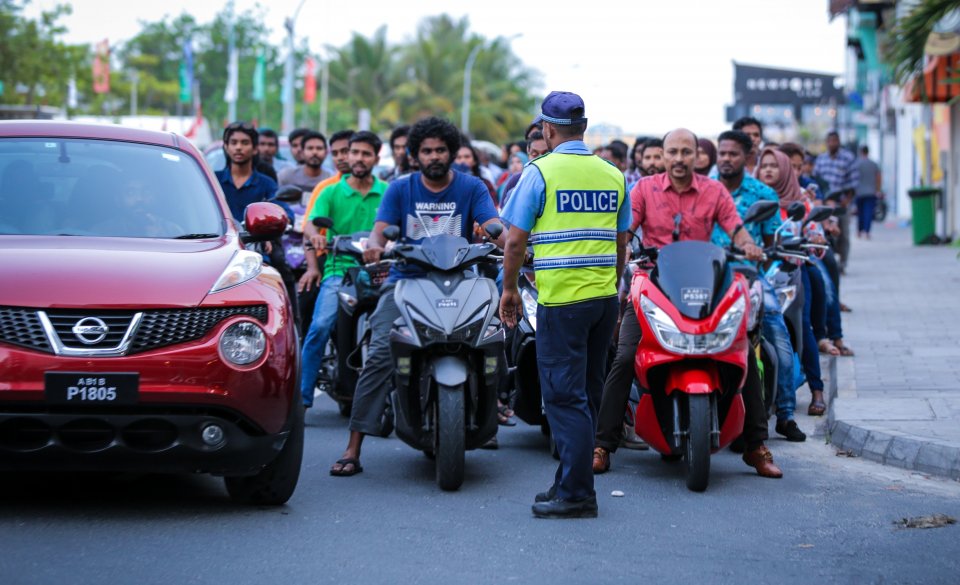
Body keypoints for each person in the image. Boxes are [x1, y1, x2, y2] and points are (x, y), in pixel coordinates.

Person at [592, 128, 783, 479]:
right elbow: (627, 228)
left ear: (697, 155)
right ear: (662, 156)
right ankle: (603, 445)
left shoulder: (714, 191)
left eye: (686, 152)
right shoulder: (643, 190)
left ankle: (756, 446)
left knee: (743, 349)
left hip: (705, 285)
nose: (679, 159)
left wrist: (749, 245)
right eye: (672, 152)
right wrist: (626, 245)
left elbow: (735, 227)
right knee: (624, 356)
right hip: (652, 284)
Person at [328, 117, 504, 477]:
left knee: (492, 339)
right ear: (414, 155)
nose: (434, 156)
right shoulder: (400, 189)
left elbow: (492, 225)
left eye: (441, 149)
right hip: (405, 281)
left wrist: (510, 244)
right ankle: (354, 445)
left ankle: (490, 414)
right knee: (379, 353)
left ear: (452, 153)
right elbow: (379, 234)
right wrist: (375, 248)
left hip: (462, 280)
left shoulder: (472, 188)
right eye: (427, 150)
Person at [500, 91, 629, 519]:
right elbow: (621, 241)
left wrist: (510, 290)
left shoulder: (539, 173)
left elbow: (515, 240)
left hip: (562, 301)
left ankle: (576, 493)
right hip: (603, 300)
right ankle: (568, 481)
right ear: (585, 128)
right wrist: (610, 282)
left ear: (547, 129)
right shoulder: (612, 174)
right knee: (587, 395)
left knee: (562, 397)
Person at [713, 131, 806, 442]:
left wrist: (754, 267)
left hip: (748, 276)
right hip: (706, 275)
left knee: (778, 334)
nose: (726, 158)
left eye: (733, 154)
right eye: (722, 153)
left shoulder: (762, 194)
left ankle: (786, 413)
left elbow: (769, 245)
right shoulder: (704, 189)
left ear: (747, 157)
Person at [300, 131, 388, 408]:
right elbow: (311, 223)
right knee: (320, 326)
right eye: (354, 153)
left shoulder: (387, 191)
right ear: (347, 155)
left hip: (380, 271)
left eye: (365, 153)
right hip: (339, 270)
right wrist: (315, 236)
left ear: (376, 157)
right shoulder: (331, 192)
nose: (359, 159)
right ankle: (300, 399)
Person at [756, 147, 831, 417]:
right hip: (755, 274)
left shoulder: (800, 200)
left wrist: (817, 240)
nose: (767, 170)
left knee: (804, 329)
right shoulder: (750, 196)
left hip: (790, 272)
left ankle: (817, 390)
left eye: (773, 166)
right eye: (763, 165)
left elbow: (816, 238)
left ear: (785, 169)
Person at [813, 131, 858, 272]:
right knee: (826, 232)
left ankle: (843, 263)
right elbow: (815, 179)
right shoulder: (821, 159)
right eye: (830, 141)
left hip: (841, 203)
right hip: (825, 204)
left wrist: (847, 200)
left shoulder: (848, 158)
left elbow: (854, 181)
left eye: (835, 141)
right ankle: (829, 260)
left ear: (839, 141)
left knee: (843, 233)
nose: (832, 143)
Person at [215, 122, 277, 223]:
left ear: (255, 149)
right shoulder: (213, 181)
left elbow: (282, 211)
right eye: (234, 143)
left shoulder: (267, 184)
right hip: (219, 237)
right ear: (226, 147)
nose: (238, 147)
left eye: (245, 143)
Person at [278, 131, 332, 203]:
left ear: (326, 153)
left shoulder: (331, 180)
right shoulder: (285, 176)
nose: (314, 152)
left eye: (319, 148)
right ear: (302, 152)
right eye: (310, 148)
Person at [855, 145, 881, 239]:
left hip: (859, 192)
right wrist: (878, 190)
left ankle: (859, 231)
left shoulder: (857, 164)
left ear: (861, 151)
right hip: (871, 192)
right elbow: (878, 177)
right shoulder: (873, 164)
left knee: (860, 212)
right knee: (868, 212)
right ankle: (866, 232)